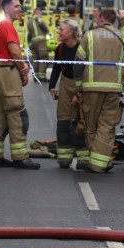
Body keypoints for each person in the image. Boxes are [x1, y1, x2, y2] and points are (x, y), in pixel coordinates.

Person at [74, 7, 124, 173]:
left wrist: (78, 88)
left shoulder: (89, 35)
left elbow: (78, 64)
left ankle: (97, 162)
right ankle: (102, 161)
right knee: (107, 126)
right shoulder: (121, 35)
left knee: (91, 125)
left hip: (91, 88)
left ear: (101, 19)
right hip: (113, 89)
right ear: (113, 20)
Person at [0, 0, 39, 170]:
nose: (20, 9)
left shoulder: (1, 26)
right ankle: (20, 158)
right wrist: (24, 70)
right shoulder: (7, 26)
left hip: (0, 71)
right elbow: (15, 52)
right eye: (17, 6)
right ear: (7, 9)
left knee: (0, 116)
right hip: (8, 72)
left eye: (20, 6)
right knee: (17, 115)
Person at [48, 18, 85, 168]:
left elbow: (87, 72)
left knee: (79, 122)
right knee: (63, 120)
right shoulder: (60, 49)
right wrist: (51, 86)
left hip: (80, 85)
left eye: (61, 29)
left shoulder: (81, 49)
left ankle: (83, 159)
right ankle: (64, 157)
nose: (58, 32)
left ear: (70, 33)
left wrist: (79, 93)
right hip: (65, 83)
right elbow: (56, 68)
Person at [26, 7, 51, 81]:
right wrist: (49, 34)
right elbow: (44, 27)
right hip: (41, 42)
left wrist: (30, 44)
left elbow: (28, 35)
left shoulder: (29, 21)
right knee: (44, 58)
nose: (41, 14)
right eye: (40, 13)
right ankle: (42, 76)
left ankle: (35, 76)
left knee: (35, 59)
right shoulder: (38, 18)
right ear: (37, 12)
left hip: (33, 43)